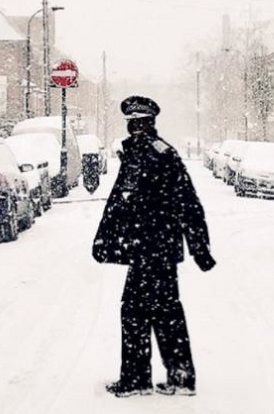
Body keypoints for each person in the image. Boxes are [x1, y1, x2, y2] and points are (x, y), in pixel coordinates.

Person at [92, 95, 216, 398]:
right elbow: (119, 203)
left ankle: (139, 379)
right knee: (164, 311)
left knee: (138, 312)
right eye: (133, 123)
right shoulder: (142, 154)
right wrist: (103, 237)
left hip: (152, 249)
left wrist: (200, 248)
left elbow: (187, 203)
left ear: (148, 123)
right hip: (151, 249)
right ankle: (179, 376)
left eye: (139, 123)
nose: (135, 128)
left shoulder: (158, 155)